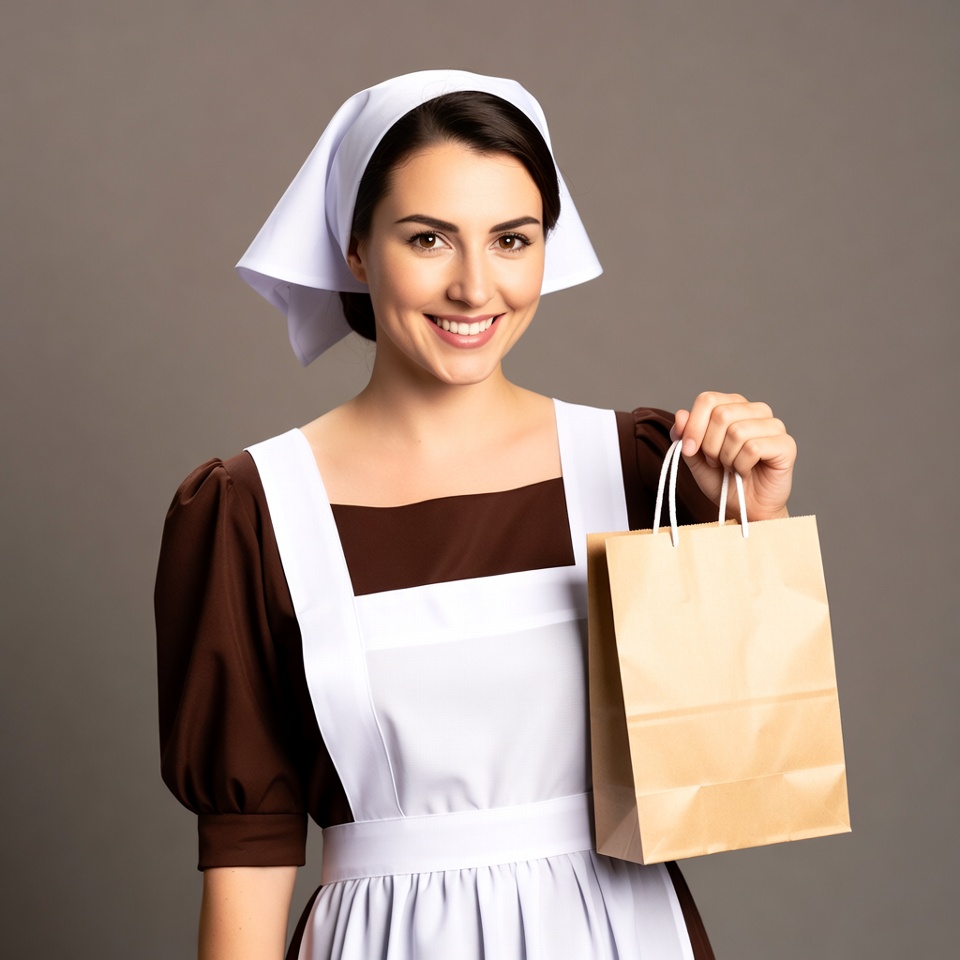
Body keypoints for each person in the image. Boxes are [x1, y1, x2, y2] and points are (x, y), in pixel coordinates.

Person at [155, 70, 796, 960]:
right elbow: (248, 848)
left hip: (624, 935)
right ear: (355, 249)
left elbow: (741, 767)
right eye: (428, 238)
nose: (473, 286)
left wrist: (751, 526)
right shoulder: (251, 510)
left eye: (510, 240)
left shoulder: (641, 468)